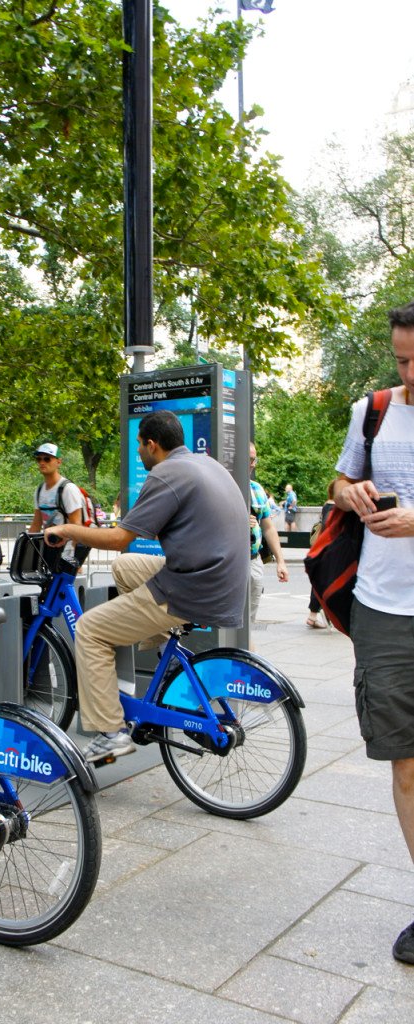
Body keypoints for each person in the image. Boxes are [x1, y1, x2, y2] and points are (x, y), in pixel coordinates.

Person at [44, 411, 249, 760]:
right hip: (224, 580)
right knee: (126, 568)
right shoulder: (206, 464)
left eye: (139, 444)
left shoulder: (165, 474)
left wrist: (66, 530)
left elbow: (120, 538)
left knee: (91, 629)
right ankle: (163, 650)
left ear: (152, 445)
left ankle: (111, 733)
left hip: (192, 585)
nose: (138, 450)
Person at [333, 299, 414, 965]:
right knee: (405, 762)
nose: (406, 370)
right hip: (383, 609)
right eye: (399, 357)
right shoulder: (375, 409)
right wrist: (348, 495)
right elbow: (337, 481)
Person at [249, 443, 289, 624]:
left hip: (253, 560)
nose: (253, 464)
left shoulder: (256, 489)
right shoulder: (222, 484)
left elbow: (268, 527)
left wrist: (280, 561)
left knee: (248, 622)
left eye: (254, 459)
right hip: (229, 563)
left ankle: (244, 649)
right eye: (249, 459)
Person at [28, 443, 84, 533]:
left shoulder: (68, 489)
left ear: (58, 462)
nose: (42, 462)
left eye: (47, 459)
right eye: (39, 459)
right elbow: (36, 524)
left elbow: (76, 526)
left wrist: (69, 547)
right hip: (49, 544)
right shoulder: (39, 490)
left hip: (67, 545)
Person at [306, 479, 336, 629]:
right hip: (328, 550)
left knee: (321, 581)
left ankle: (318, 614)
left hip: (322, 549)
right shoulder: (332, 507)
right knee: (323, 582)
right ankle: (315, 614)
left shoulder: (327, 506)